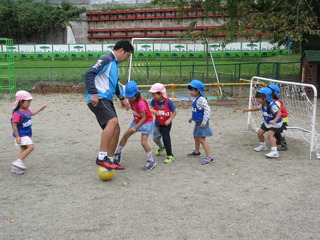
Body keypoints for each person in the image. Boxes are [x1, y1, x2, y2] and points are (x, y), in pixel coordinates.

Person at [85, 40, 133, 170]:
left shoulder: (114, 64)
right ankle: (101, 157)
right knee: (112, 121)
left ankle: (110, 159)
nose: (126, 58)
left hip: (106, 99)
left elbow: (115, 83)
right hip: (98, 98)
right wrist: (93, 93)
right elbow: (89, 73)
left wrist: (122, 98)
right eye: (127, 55)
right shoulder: (106, 59)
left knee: (116, 128)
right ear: (122, 50)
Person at [115, 81, 156, 171]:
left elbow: (144, 118)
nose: (129, 98)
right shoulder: (131, 100)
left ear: (137, 94)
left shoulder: (141, 103)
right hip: (137, 120)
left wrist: (135, 127)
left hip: (145, 122)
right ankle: (117, 153)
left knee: (143, 143)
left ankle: (151, 160)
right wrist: (128, 107)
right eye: (128, 97)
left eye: (131, 96)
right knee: (125, 135)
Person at [11, 90, 47, 174]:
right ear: (21, 102)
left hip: (27, 133)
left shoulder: (26, 110)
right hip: (21, 134)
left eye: (30, 102)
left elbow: (32, 113)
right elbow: (14, 125)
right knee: (31, 147)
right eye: (28, 102)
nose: (29, 104)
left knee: (23, 150)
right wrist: (17, 136)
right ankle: (18, 162)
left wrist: (40, 109)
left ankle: (15, 167)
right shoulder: (17, 114)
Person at [244, 87, 283, 158]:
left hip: (275, 124)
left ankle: (275, 152)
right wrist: (248, 109)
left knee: (270, 135)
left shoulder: (272, 105)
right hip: (267, 122)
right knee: (259, 133)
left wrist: (274, 120)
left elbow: (279, 113)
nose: (257, 100)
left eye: (259, 98)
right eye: (257, 98)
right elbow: (258, 108)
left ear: (265, 98)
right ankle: (263, 146)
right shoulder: (262, 105)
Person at [187, 80, 214, 165]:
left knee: (202, 139)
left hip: (202, 123)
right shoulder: (195, 99)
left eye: (192, 90)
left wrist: (204, 121)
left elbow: (207, 109)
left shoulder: (201, 99)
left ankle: (209, 157)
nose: (190, 92)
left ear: (198, 90)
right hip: (197, 122)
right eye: (190, 90)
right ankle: (197, 151)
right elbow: (194, 110)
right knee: (196, 136)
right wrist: (191, 117)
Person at [149, 83, 177, 163]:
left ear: (161, 94)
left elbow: (174, 112)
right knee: (155, 138)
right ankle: (161, 147)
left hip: (166, 124)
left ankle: (170, 155)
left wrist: (169, 120)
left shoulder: (168, 102)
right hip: (157, 123)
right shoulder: (154, 101)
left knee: (166, 138)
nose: (153, 97)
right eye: (152, 95)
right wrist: (151, 110)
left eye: (154, 95)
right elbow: (148, 108)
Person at [268, 84, 288, 151]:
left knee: (276, 131)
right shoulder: (272, 101)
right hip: (278, 119)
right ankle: (279, 141)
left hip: (282, 119)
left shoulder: (277, 102)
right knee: (275, 132)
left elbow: (277, 111)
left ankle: (283, 144)